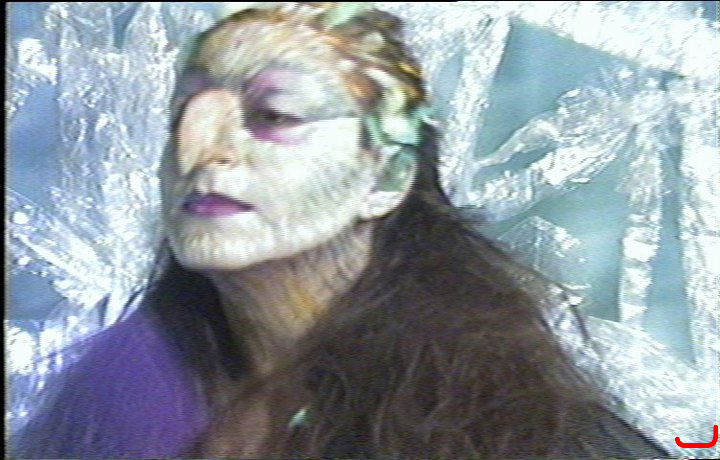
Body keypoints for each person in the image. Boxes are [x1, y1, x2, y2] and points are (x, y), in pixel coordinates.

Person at [14, 3, 669, 458]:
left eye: (274, 114)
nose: (201, 150)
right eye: (186, 113)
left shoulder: (504, 421)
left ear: (388, 175)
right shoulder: (117, 392)